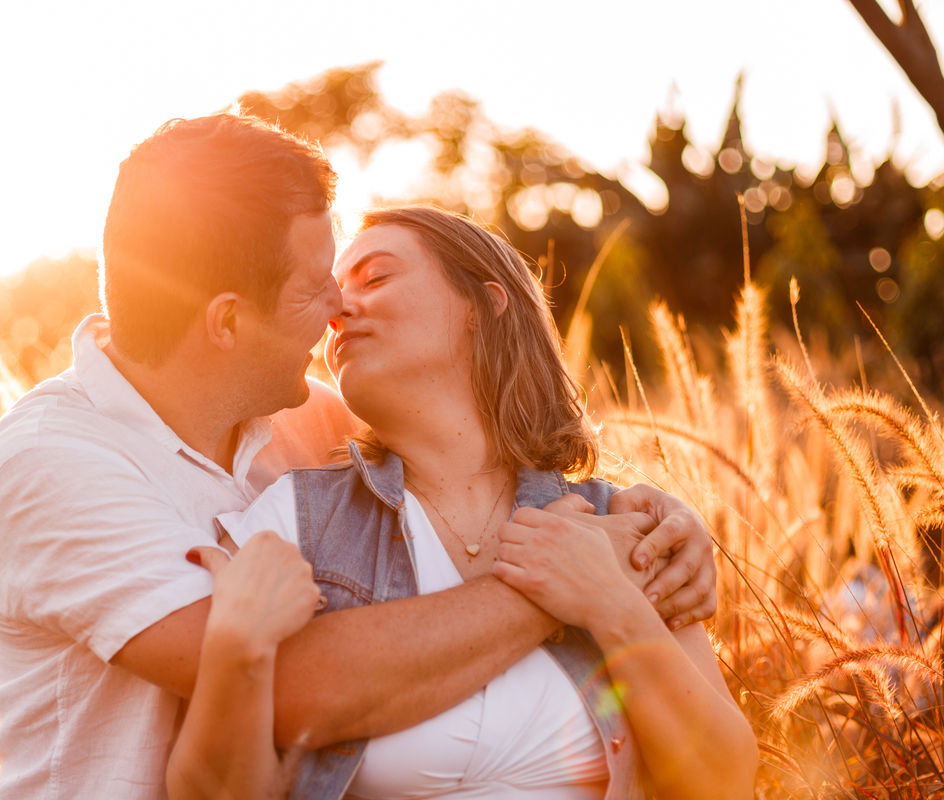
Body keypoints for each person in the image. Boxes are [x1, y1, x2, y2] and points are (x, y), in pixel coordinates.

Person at [0, 113, 720, 799]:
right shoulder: (53, 462)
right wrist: (572, 582)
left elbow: (461, 456)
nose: (338, 306)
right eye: (316, 285)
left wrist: (660, 516)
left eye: (368, 275)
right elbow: (292, 687)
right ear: (227, 323)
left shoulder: (305, 425)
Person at [185, 207, 757, 799]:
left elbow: (725, 783)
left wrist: (608, 598)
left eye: (375, 278)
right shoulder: (294, 521)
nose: (337, 309)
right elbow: (215, 785)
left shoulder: (622, 524)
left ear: (481, 306)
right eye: (333, 292)